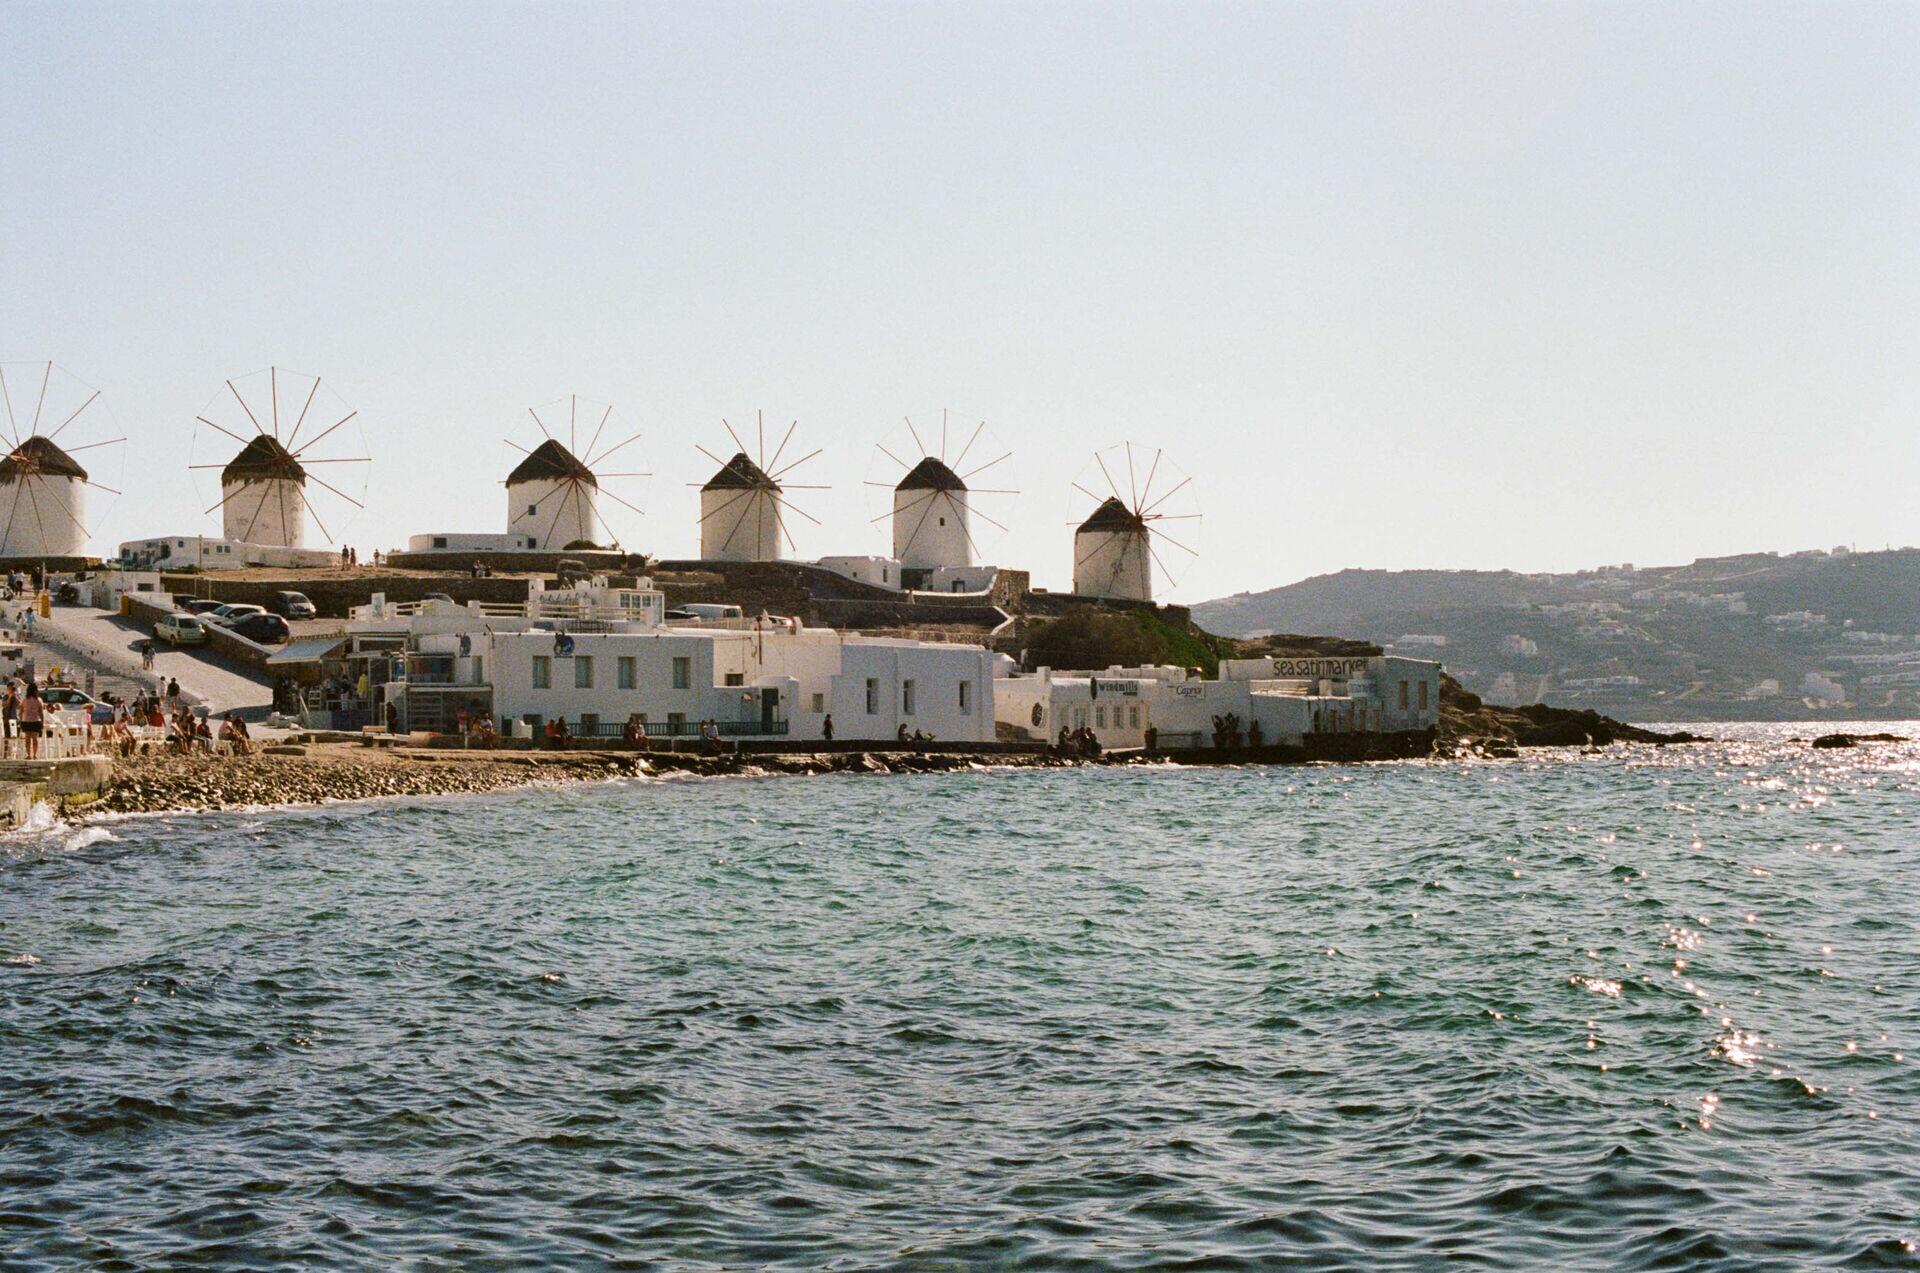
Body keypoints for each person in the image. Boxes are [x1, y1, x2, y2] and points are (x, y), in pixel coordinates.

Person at [18, 682, 43, 760]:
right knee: (35, 739)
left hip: (26, 721)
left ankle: (29, 754)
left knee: (27, 739)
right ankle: (35, 755)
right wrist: (42, 721)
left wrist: (21, 720)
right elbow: (41, 712)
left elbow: (21, 711)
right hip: (36, 721)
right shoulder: (39, 700)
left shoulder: (24, 699)